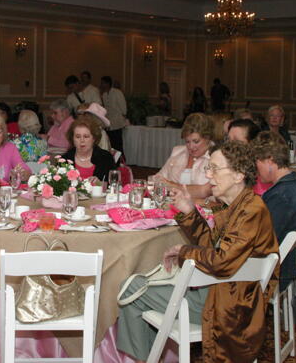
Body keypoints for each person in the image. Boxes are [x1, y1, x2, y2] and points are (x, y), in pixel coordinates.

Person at [117, 140, 279, 363]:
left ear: (239, 175)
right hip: (226, 293)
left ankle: (144, 359)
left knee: (130, 290)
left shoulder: (251, 210)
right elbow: (212, 247)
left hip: (229, 303)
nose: (209, 176)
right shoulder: (237, 205)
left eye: (214, 169)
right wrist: (189, 212)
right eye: (208, 168)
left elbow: (221, 261)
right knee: (137, 285)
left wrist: (184, 251)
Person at [252, 131, 296, 291]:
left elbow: (262, 242)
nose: (256, 169)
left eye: (257, 162)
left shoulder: (281, 196)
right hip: (286, 267)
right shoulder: (295, 186)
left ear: (270, 160)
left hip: (275, 273)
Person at [156, 113, 214, 200]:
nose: (191, 147)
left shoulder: (216, 157)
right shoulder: (178, 152)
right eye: (187, 142)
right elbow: (158, 178)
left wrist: (171, 185)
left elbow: (206, 191)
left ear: (208, 138)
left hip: (203, 210)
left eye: (196, 141)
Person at [227, 119, 271, 195]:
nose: (229, 146)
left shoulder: (261, 174)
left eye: (237, 142)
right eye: (228, 140)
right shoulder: (225, 166)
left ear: (252, 144)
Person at [100, 75, 128, 153]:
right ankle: (114, 161)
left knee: (118, 144)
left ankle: (121, 161)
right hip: (109, 124)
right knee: (111, 144)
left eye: (103, 83)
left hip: (117, 123)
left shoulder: (117, 92)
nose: (101, 85)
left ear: (108, 83)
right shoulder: (104, 95)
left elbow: (123, 106)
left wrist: (124, 116)